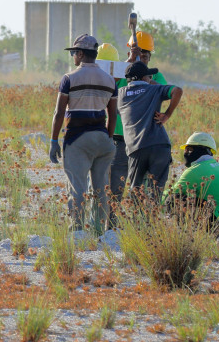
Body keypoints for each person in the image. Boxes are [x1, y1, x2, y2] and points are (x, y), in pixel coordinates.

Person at [48, 34, 117, 230]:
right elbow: (113, 115)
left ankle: (77, 229)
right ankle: (99, 229)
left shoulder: (69, 78)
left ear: (80, 54)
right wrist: (108, 138)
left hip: (77, 139)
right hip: (102, 139)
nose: (73, 57)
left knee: (78, 187)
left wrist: (54, 140)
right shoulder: (109, 80)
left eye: (73, 53)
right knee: (101, 189)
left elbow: (59, 112)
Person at [109, 31, 168, 203]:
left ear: (150, 57)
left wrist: (144, 79)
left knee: (144, 188)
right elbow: (109, 85)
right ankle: (111, 219)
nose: (141, 59)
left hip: (145, 141)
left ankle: (142, 217)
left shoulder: (156, 76)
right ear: (130, 53)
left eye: (145, 56)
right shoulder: (120, 72)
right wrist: (129, 64)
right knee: (115, 186)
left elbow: (164, 92)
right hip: (120, 138)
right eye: (138, 55)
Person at [116, 61, 183, 197]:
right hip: (159, 145)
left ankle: (138, 211)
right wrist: (167, 114)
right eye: (149, 76)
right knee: (156, 192)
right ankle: (153, 210)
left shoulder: (120, 94)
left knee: (136, 192)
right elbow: (177, 90)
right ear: (144, 77)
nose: (151, 79)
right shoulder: (154, 89)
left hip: (136, 148)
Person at [163, 132, 219, 233]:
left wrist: (152, 198)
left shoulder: (195, 170)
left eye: (189, 150)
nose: (186, 153)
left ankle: (191, 236)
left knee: (173, 200)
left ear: (201, 150)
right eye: (186, 150)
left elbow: (171, 194)